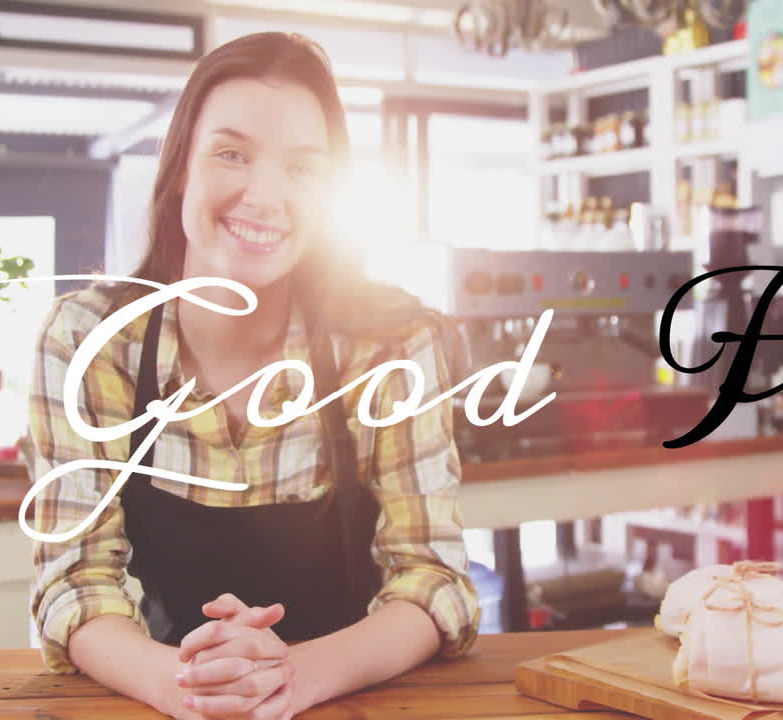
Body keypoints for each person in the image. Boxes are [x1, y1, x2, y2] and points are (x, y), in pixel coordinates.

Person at [27, 32, 480, 720]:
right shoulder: (89, 341)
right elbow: (74, 582)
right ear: (180, 166)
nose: (265, 195)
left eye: (302, 168)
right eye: (232, 153)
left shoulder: (388, 347)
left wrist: (293, 676)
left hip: (346, 697)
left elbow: (433, 577)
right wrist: (186, 687)